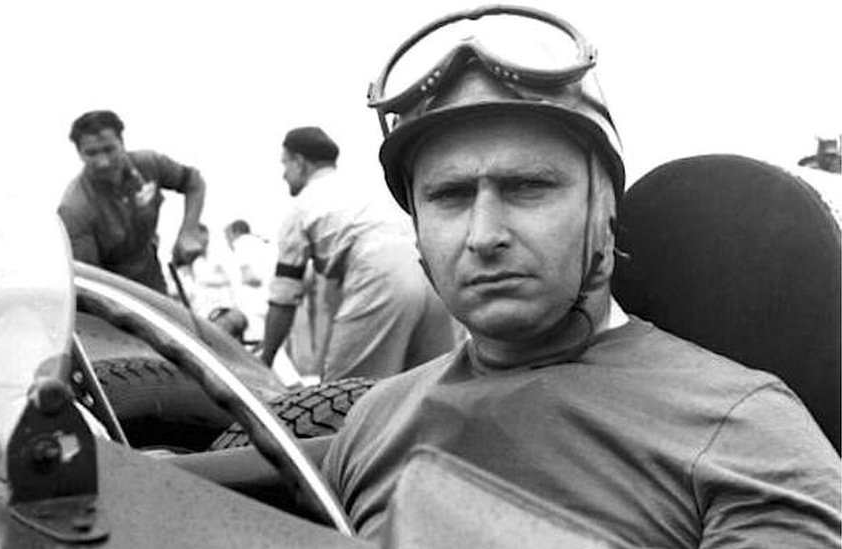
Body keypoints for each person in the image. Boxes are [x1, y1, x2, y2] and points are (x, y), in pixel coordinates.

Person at [322, 6, 841, 547]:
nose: (483, 234)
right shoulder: (372, 424)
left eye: (528, 186)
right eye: (449, 196)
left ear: (606, 212)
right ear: (416, 227)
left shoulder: (745, 431)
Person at [262, 126, 458, 381]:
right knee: (427, 390)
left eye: (285, 164)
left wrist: (265, 360)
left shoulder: (301, 206)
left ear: (299, 163)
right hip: (431, 274)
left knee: (347, 396)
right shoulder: (363, 189)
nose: (283, 174)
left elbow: (283, 298)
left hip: (380, 274)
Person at [57, 110, 207, 293]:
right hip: (114, 290)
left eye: (109, 149)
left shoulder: (149, 163)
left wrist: (188, 231)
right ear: (79, 154)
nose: (103, 162)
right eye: (91, 153)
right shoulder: (74, 207)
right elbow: (91, 282)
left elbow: (194, 183)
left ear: (122, 143)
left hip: (151, 272)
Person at [224, 219, 276, 343]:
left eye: (227, 237)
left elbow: (249, 276)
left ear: (234, 233)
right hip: (270, 303)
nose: (228, 242)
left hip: (251, 307)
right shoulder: (265, 245)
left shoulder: (241, 243)